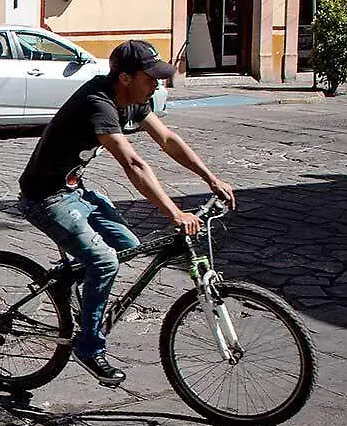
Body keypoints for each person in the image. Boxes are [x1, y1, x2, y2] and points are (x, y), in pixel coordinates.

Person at [17, 40, 236, 387]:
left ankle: (65, 279)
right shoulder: (98, 103)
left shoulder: (133, 99)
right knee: (105, 262)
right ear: (125, 77)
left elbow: (168, 140)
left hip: (74, 190)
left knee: (129, 246)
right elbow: (133, 163)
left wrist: (211, 178)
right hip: (45, 197)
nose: (158, 84)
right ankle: (89, 346)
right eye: (151, 78)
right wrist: (174, 212)